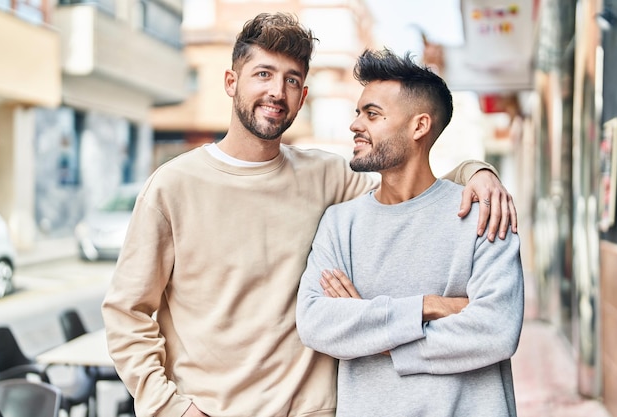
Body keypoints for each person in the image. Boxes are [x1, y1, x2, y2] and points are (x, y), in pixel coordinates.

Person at [101, 13, 518, 417]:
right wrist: (170, 408)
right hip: (212, 409)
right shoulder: (173, 186)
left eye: (292, 80)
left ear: (303, 96)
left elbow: (413, 186)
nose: (277, 92)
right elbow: (127, 313)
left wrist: (477, 173)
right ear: (231, 82)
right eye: (263, 74)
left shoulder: (327, 176)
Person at [296, 48, 525, 417]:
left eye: (372, 114)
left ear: (419, 126)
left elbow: (496, 330)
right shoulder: (340, 223)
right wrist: (428, 306)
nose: (355, 124)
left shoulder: (484, 214)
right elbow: (316, 323)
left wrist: (373, 330)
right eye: (358, 113)